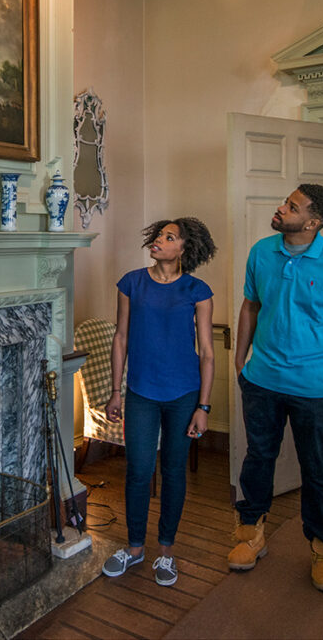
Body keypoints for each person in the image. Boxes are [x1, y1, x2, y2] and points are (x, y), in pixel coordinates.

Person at [228, 183, 323, 593]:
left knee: (316, 471)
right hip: (261, 381)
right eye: (285, 201)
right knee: (258, 460)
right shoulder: (261, 252)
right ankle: (250, 535)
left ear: (312, 222)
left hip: (315, 388)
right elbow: (250, 305)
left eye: (291, 206)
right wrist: (241, 359)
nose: (280, 208)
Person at [101, 217, 217, 587]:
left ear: (184, 248)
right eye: (158, 235)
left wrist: (204, 406)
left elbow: (207, 353)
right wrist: (116, 390)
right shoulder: (131, 283)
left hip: (184, 395)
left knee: (173, 470)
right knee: (138, 471)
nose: (158, 241)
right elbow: (121, 338)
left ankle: (166, 551)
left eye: (169, 237)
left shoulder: (197, 290)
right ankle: (135, 549)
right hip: (140, 392)